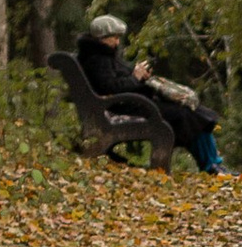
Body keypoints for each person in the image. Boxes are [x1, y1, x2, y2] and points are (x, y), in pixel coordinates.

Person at [76, 14, 225, 173]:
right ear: (102, 38)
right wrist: (135, 77)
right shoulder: (97, 59)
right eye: (114, 38)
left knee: (193, 112)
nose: (117, 42)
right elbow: (110, 87)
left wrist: (138, 74)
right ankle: (211, 165)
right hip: (126, 106)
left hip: (132, 103)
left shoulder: (102, 54)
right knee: (186, 114)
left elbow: (118, 79)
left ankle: (213, 164)